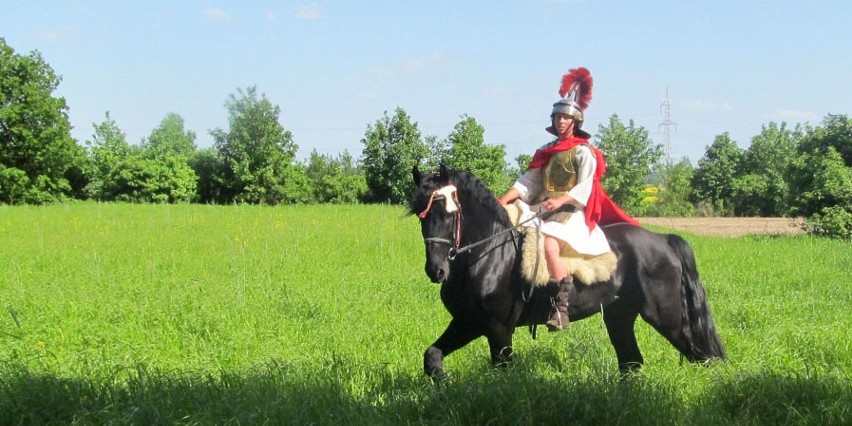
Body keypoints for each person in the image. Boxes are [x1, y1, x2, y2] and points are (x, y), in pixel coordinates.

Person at [497, 67, 639, 331]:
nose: (561, 122)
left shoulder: (585, 153)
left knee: (549, 246)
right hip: (541, 208)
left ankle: (561, 307)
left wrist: (561, 201)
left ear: (575, 122)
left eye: (565, 118)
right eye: (557, 117)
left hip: (570, 213)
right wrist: (504, 199)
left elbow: (587, 186)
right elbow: (530, 181)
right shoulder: (546, 151)